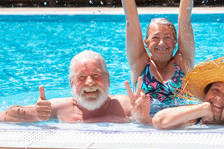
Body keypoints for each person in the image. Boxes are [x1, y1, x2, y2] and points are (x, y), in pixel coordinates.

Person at [120, 0, 195, 107]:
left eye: (168, 37)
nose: (162, 43)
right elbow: (131, 21)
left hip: (182, 127)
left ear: (176, 41)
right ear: (146, 42)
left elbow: (185, 20)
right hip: (146, 127)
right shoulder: (139, 63)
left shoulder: (183, 62)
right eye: (155, 38)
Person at [0, 50, 152, 124]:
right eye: (81, 77)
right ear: (71, 84)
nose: (90, 82)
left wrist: (142, 117)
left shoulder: (123, 105)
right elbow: (5, 115)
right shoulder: (59, 107)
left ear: (108, 80)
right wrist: (35, 114)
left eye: (96, 75)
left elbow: (154, 123)